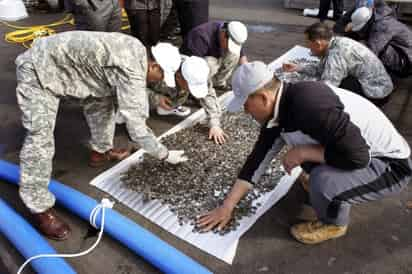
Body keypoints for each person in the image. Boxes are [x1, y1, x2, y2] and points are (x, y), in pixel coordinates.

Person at [197, 61, 411, 244]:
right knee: (307, 157)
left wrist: (304, 152)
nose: (245, 111)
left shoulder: (310, 106)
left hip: (390, 167)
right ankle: (330, 185)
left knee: (322, 180)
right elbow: (257, 160)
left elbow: (358, 156)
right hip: (358, 152)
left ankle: (333, 224)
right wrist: (227, 206)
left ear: (263, 98)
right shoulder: (281, 108)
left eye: (246, 105)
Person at [15, 32, 188, 241]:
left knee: (103, 102)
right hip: (38, 70)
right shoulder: (132, 70)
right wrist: (164, 154)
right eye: (160, 77)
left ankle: (101, 151)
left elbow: (117, 84)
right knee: (40, 138)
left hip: (71, 70)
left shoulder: (137, 48)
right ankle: (38, 207)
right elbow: (137, 129)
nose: (156, 82)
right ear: (153, 66)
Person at [282, 22, 393, 106]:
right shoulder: (336, 42)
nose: (308, 47)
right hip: (381, 86)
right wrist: (298, 68)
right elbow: (323, 68)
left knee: (330, 93)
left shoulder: (336, 54)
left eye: (308, 43)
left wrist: (298, 91)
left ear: (318, 44)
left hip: (377, 94)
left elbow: (328, 87)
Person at [344, 7, 412, 77]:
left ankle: (382, 78)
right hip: (403, 52)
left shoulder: (382, 27)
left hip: (408, 61)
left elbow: (371, 52)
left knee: (370, 51)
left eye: (362, 29)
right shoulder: (377, 20)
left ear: (367, 22)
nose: (361, 32)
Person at [180, 21, 248, 91]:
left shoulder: (230, 30)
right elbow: (191, 67)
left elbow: (241, 55)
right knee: (210, 64)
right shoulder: (200, 37)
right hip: (191, 65)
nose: (228, 48)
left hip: (215, 58)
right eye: (229, 44)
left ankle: (218, 83)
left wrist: (247, 70)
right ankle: (197, 89)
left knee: (234, 55)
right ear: (224, 34)